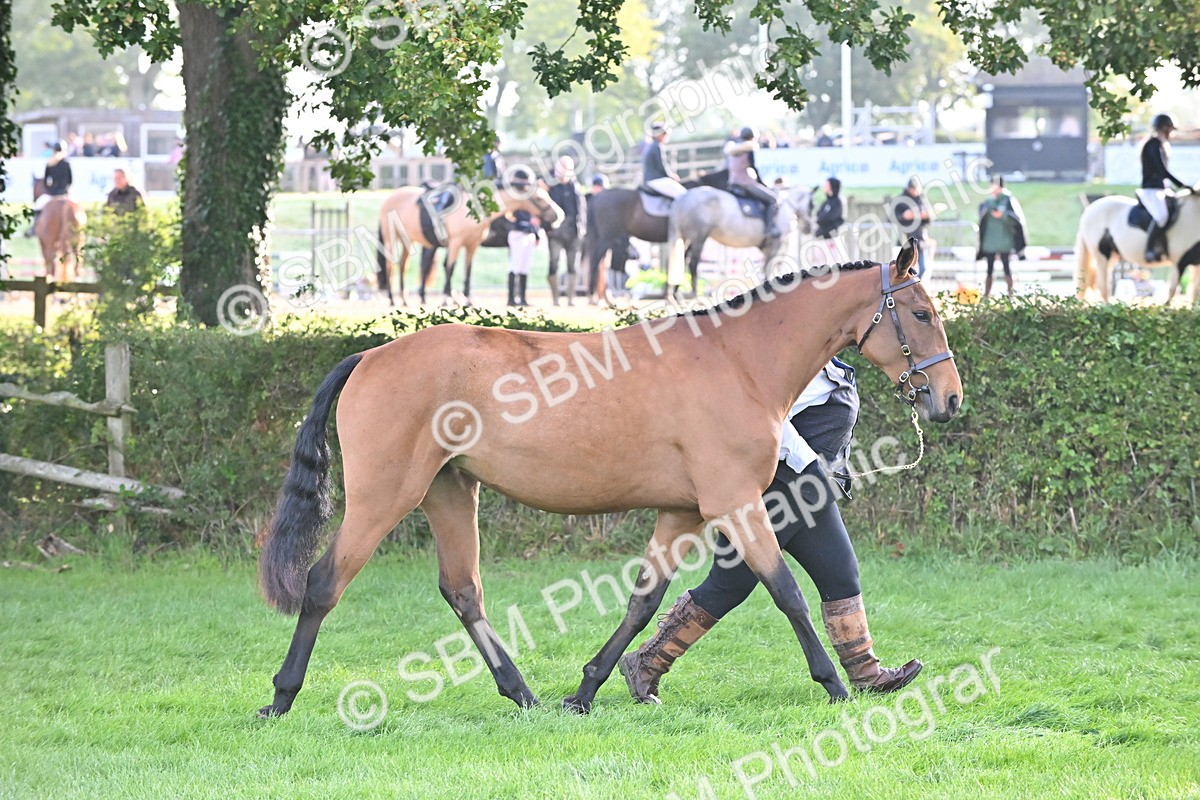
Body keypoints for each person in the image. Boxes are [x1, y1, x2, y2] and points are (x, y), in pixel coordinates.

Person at [618, 359, 922, 703]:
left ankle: (865, 672)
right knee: (728, 585)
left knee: (840, 572)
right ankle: (645, 663)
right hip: (773, 493)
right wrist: (811, 465)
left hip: (810, 494)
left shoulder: (827, 364)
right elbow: (765, 418)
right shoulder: (784, 364)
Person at [1137, 113, 1187, 262]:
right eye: (1169, 129)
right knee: (1161, 217)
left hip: (1162, 189)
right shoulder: (1153, 144)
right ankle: (1149, 249)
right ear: (1164, 128)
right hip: (1152, 190)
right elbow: (1161, 171)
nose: (1171, 132)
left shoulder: (1160, 144)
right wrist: (1182, 185)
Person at [724, 126, 781, 238]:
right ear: (752, 137)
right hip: (745, 183)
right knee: (773, 199)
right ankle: (769, 229)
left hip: (733, 182)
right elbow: (754, 167)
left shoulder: (734, 148)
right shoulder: (748, 149)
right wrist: (762, 184)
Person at [976, 176, 1027, 298]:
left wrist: (1003, 215)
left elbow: (1016, 220)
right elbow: (982, 218)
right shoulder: (988, 202)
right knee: (989, 268)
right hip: (990, 241)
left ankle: (1010, 294)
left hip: (1005, 240)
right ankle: (987, 294)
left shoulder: (1008, 201)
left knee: (1006, 267)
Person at [546, 156, 587, 306]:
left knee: (572, 266)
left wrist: (581, 228)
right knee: (553, 264)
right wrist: (547, 228)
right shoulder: (551, 186)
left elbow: (581, 209)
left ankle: (570, 299)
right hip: (555, 232)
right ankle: (555, 299)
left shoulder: (575, 187)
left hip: (573, 231)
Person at [505, 170, 538, 307]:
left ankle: (522, 298)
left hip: (529, 233)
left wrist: (536, 233)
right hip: (518, 233)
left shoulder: (528, 198)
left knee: (525, 267)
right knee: (515, 266)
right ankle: (511, 298)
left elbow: (534, 217)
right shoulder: (513, 197)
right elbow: (513, 217)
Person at [26, 140, 72, 237]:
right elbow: (70, 181)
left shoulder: (50, 163)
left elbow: (46, 182)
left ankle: (34, 228)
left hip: (52, 194)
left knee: (38, 205)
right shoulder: (67, 164)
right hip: (64, 194)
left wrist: (50, 189)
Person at [891, 177, 933, 277]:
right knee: (904, 269)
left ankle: (914, 284)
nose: (915, 191)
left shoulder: (922, 199)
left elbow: (929, 215)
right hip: (905, 241)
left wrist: (915, 214)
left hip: (920, 240)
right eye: (913, 188)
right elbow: (903, 216)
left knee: (923, 268)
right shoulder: (901, 200)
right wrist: (919, 214)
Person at [642, 121, 687, 199]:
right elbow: (662, 166)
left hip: (650, 179)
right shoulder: (657, 146)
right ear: (658, 135)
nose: (666, 136)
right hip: (657, 180)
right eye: (664, 133)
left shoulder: (651, 146)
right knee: (684, 195)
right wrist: (671, 176)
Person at [813, 177, 844, 259]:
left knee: (831, 262)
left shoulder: (837, 202)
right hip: (821, 237)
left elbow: (829, 217)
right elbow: (819, 215)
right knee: (818, 263)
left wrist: (821, 219)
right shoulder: (826, 202)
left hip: (831, 238)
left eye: (827, 184)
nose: (824, 186)